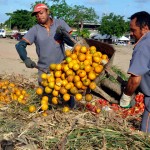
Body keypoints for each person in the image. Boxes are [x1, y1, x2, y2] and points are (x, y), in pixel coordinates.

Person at [15, 3, 76, 108]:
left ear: (48, 12)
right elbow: (20, 45)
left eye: (41, 13)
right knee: (47, 102)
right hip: (44, 70)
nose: (39, 16)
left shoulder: (60, 23)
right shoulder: (35, 29)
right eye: (36, 15)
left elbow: (73, 43)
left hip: (62, 69)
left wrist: (65, 35)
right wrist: (25, 59)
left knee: (67, 98)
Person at [120, 11, 150, 133]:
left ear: (145, 28)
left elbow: (135, 79)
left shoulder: (143, 45)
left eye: (133, 30)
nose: (131, 33)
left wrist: (125, 97)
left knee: (146, 135)